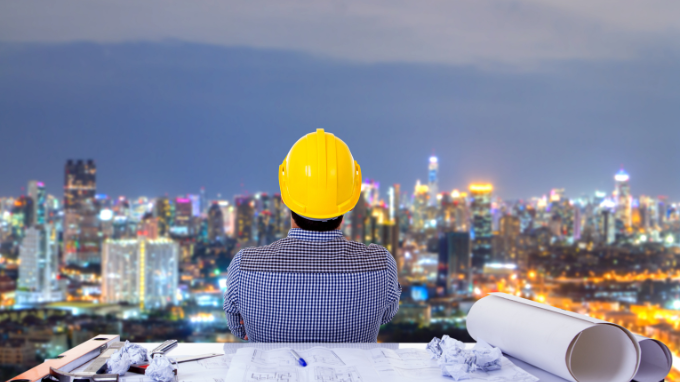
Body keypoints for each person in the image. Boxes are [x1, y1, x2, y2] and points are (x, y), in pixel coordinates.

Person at [223, 129, 401, 342]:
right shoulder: (381, 264)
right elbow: (387, 315)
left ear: (286, 193)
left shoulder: (244, 266)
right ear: (351, 196)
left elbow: (238, 329)